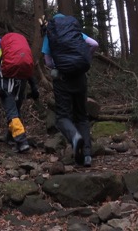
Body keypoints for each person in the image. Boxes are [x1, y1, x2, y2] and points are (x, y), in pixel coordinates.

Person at [40, 13, 99, 167]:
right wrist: (86, 58)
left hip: (62, 79)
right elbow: (94, 44)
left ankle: (74, 137)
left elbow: (47, 60)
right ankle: (87, 155)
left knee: (62, 117)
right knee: (82, 116)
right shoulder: (74, 32)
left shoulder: (50, 33)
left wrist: (57, 65)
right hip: (80, 77)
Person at [0, 33, 39, 153]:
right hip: (22, 81)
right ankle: (10, 138)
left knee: (11, 112)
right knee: (15, 110)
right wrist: (34, 88)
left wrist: (0, 87)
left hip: (8, 82)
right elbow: (29, 71)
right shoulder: (14, 52)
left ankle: (22, 141)